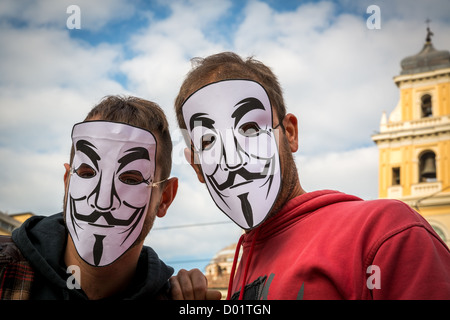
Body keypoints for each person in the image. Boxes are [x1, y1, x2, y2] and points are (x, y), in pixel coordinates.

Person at [174, 52, 450, 299]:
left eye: (249, 129)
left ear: (290, 133)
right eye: (208, 141)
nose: (232, 160)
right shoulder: (241, 268)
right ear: (196, 166)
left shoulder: (385, 231)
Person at [0, 95, 220, 300]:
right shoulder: (6, 272)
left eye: (131, 179)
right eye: (87, 173)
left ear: (165, 198)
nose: (102, 202)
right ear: (67, 182)